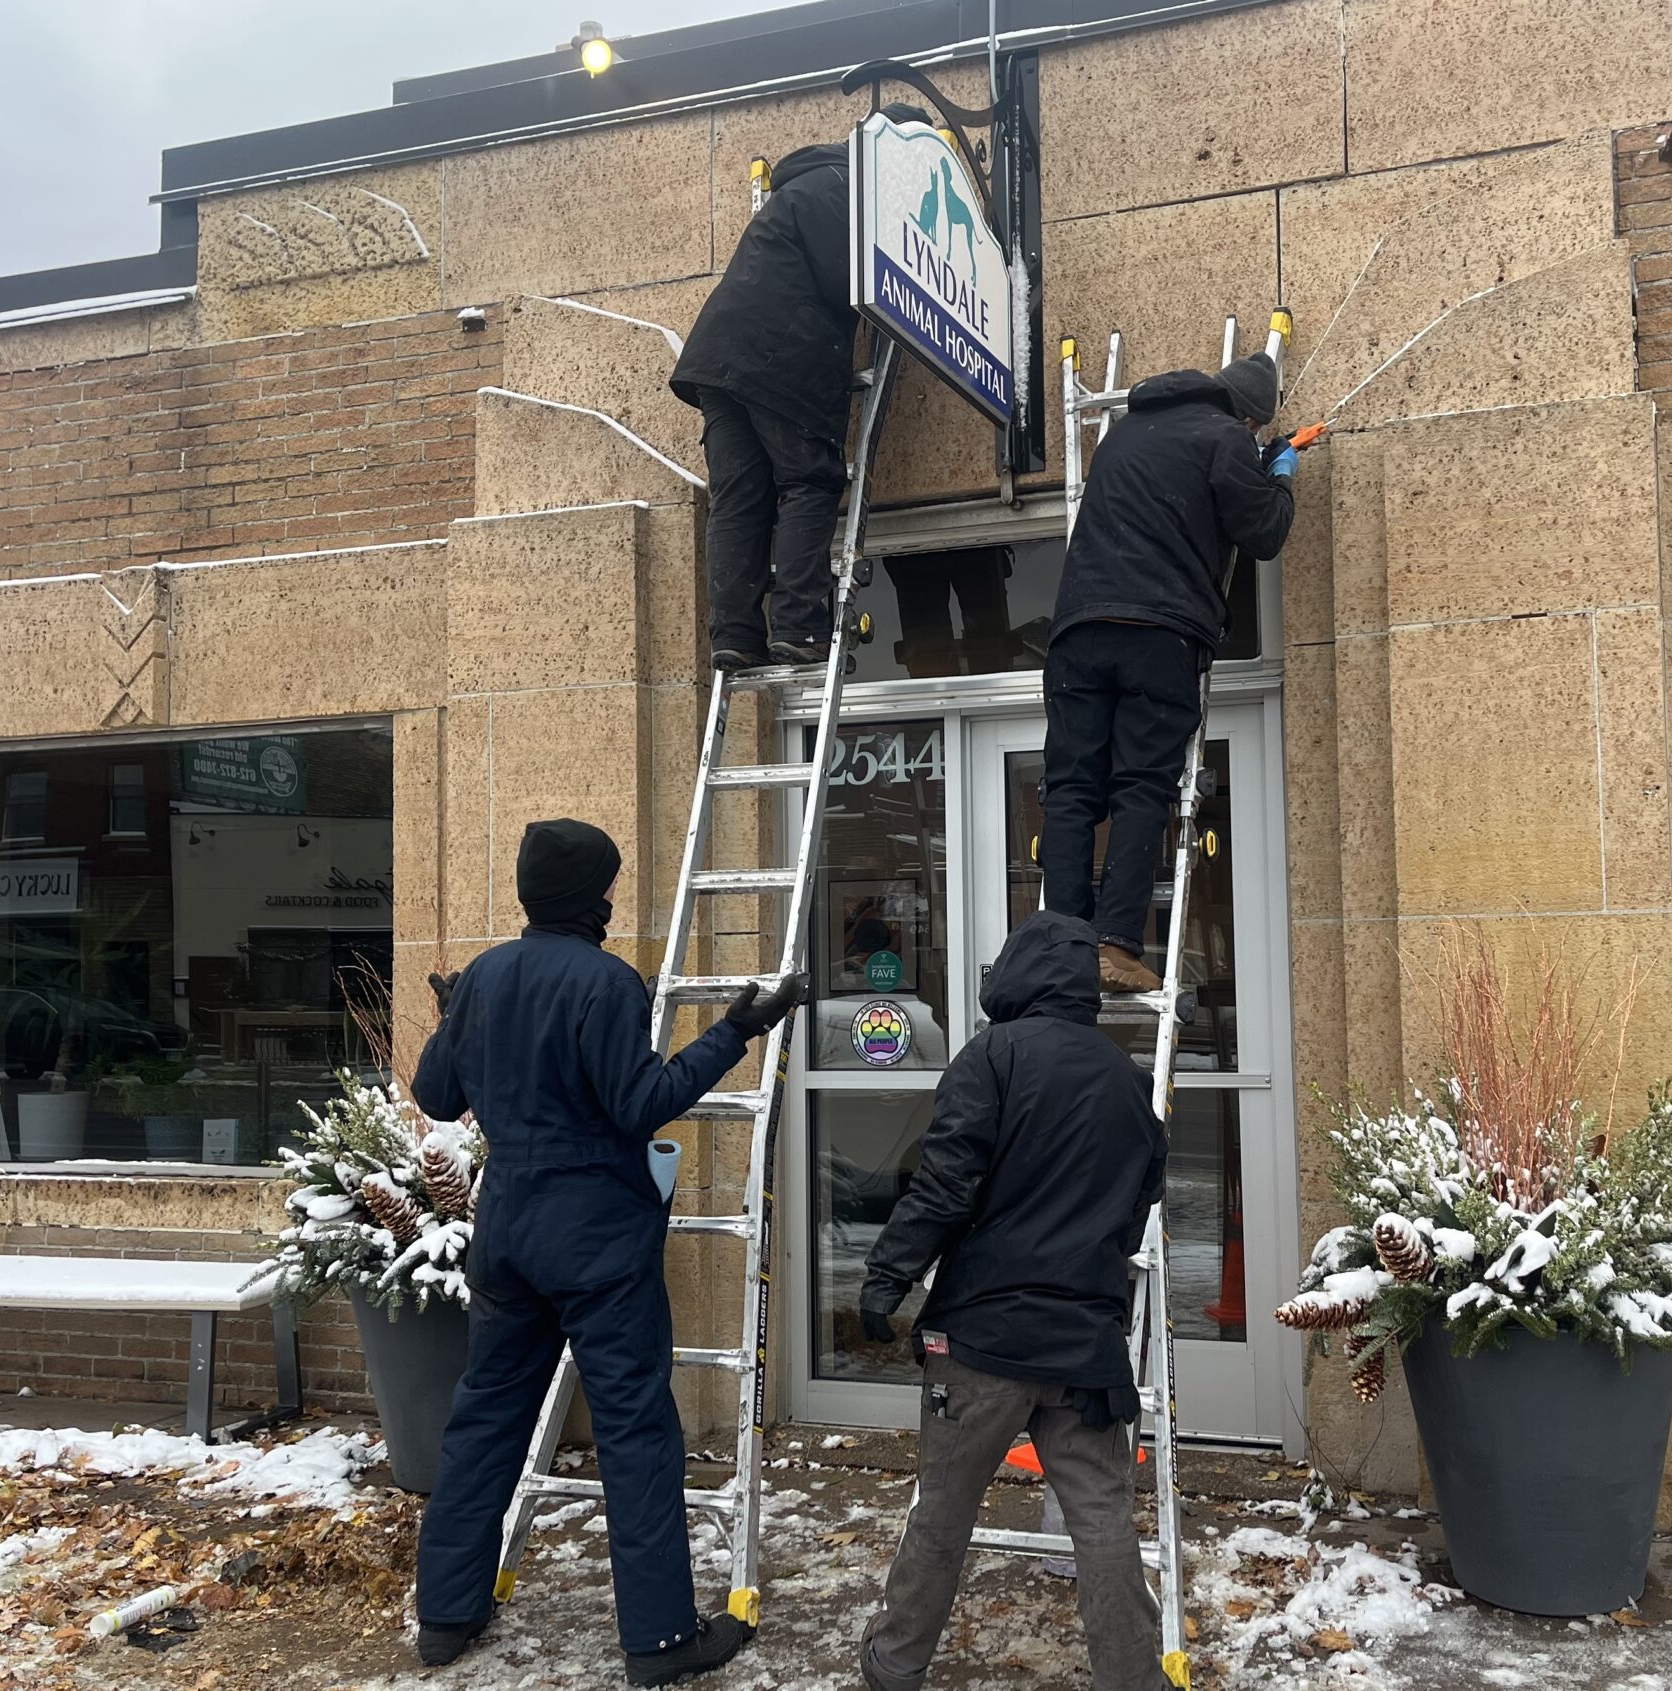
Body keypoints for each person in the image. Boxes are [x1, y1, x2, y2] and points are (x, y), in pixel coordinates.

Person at [408, 818, 804, 1683]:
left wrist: (457, 1018)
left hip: (507, 1231)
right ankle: (659, 1638)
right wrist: (734, 1029)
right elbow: (640, 1104)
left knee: (483, 1422)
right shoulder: (606, 981)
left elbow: (436, 1094)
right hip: (596, 1240)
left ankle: (444, 1612)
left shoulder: (482, 977)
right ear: (594, 897)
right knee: (633, 1430)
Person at [856, 912, 1170, 1691]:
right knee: (1102, 1520)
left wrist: (886, 1279)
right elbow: (1137, 1209)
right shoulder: (1132, 1084)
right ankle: (1135, 1677)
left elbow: (944, 1184)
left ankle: (894, 1664)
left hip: (981, 1341)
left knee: (943, 1511)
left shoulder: (990, 1056)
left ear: (1019, 974)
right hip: (1084, 1347)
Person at [1040, 350, 1298, 994]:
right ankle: (1114, 946)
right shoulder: (1226, 438)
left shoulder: (1124, 432)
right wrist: (1280, 475)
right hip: (1157, 634)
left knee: (1071, 789)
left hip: (1077, 630)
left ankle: (1063, 941)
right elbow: (1263, 532)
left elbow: (1168, 501)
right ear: (1250, 417)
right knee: (1141, 786)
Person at [672, 104, 935, 673]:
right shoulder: (854, 190)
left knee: (740, 499)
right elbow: (856, 279)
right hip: (781, 354)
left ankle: (736, 636)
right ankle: (799, 626)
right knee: (808, 479)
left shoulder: (813, 181)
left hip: (719, 357)